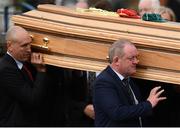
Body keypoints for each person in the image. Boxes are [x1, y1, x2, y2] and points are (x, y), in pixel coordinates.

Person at [93, 39, 166, 127]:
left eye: (136, 57)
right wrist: (148, 104)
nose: (136, 61)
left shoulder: (128, 80)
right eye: (131, 58)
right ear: (116, 61)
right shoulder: (104, 82)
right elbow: (117, 113)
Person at [0, 26, 48, 126]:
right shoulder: (6, 69)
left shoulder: (22, 63)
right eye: (24, 46)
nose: (29, 50)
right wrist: (41, 70)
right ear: (10, 46)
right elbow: (32, 99)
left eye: (30, 45)